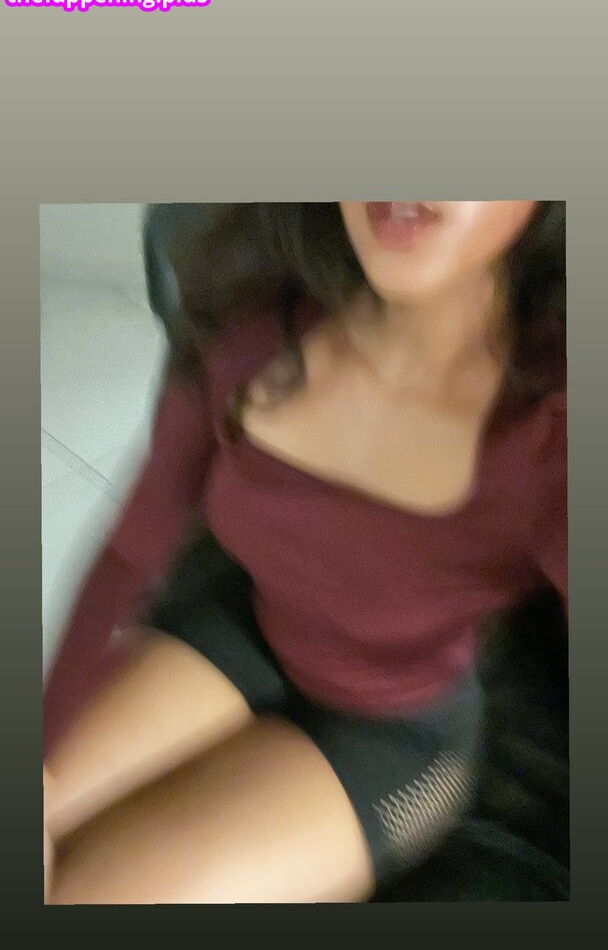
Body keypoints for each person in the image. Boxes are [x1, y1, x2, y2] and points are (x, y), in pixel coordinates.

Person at [43, 201, 567, 904]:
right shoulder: (252, 316)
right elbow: (129, 552)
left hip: (391, 739)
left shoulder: (554, 432)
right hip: (238, 635)